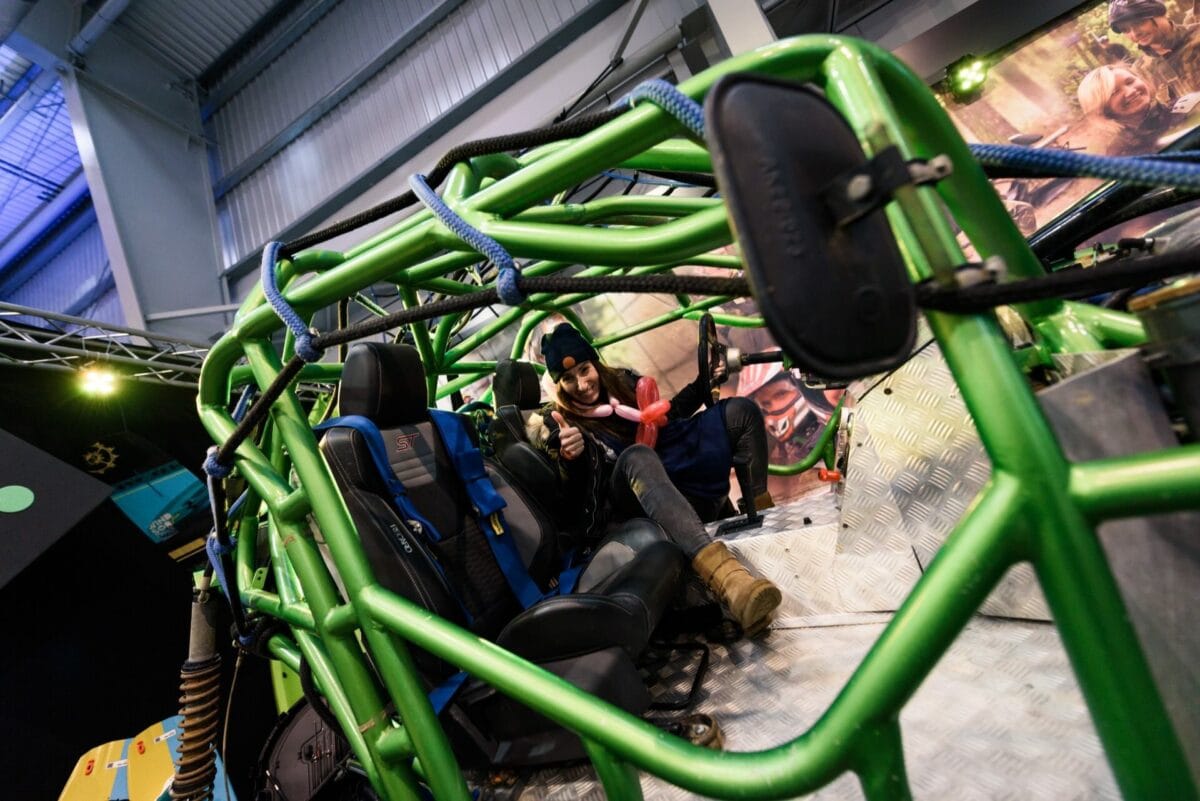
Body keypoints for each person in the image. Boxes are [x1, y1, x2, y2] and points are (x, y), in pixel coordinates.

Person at [530, 322, 782, 635]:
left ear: (594, 363)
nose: (581, 384)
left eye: (584, 370)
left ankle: (767, 526)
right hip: (625, 498)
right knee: (637, 455)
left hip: (666, 463)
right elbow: (578, 499)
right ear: (558, 385)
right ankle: (729, 579)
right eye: (568, 378)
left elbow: (665, 419)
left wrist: (702, 384)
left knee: (740, 412)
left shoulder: (623, 383)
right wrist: (573, 458)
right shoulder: (559, 423)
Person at [1077, 64, 1190, 154]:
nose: (1130, 92)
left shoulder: (1188, 108)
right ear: (1102, 109)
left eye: (1130, 82)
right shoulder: (1118, 156)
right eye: (1114, 92)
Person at [1109, 0, 1200, 104]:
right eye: (1126, 30)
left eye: (1138, 22)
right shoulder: (1139, 72)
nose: (1134, 34)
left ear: (1159, 13)